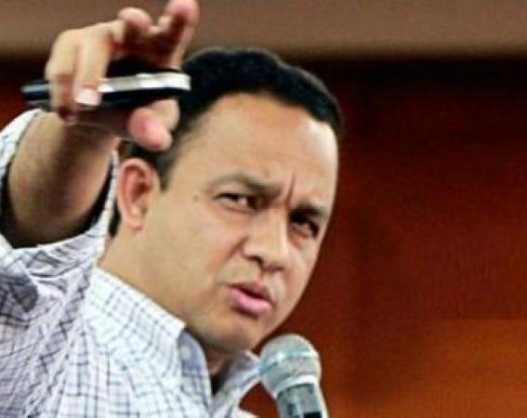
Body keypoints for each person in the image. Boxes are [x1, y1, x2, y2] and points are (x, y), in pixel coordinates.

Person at [0, 0, 343, 416]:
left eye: (303, 222)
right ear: (138, 194)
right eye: (240, 200)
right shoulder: (51, 365)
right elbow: (21, 284)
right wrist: (82, 133)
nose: (274, 252)